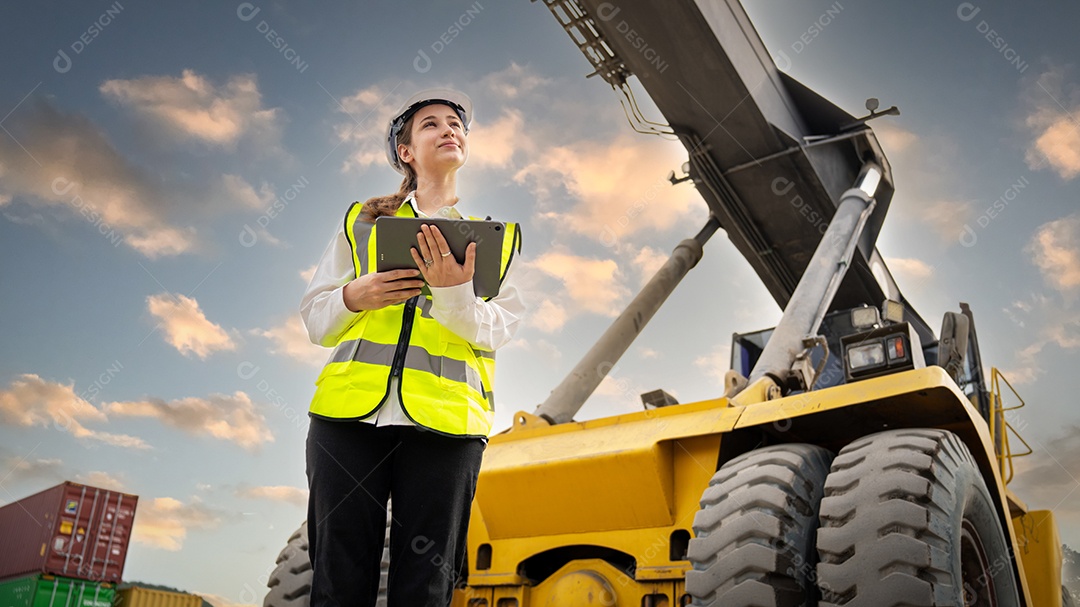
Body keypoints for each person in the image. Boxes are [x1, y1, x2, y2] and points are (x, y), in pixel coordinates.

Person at [300, 88, 524, 606]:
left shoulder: (493, 238)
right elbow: (315, 318)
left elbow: (501, 326)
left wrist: (453, 295)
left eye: (456, 124)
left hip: (446, 427)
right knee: (337, 577)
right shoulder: (362, 223)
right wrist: (354, 296)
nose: (449, 130)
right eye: (432, 124)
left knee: (425, 586)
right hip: (346, 421)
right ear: (405, 151)